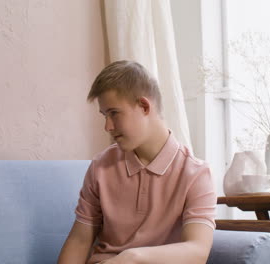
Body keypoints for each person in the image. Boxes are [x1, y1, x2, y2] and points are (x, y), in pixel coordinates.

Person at [57, 60, 217, 264]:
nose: (107, 126)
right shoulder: (101, 166)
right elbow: (79, 240)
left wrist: (133, 257)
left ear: (144, 106)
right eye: (104, 115)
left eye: (114, 113)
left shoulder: (196, 173)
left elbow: (197, 251)